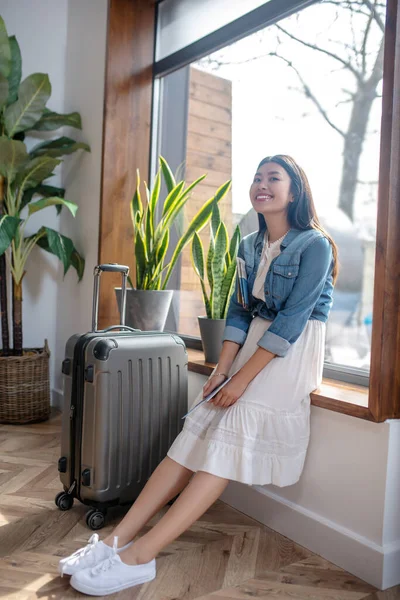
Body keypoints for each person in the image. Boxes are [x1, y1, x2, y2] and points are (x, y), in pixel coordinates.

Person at [60, 154, 338, 596]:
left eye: (274, 178)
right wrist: (222, 369)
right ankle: (116, 540)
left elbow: (293, 322)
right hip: (250, 350)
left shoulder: (315, 244)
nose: (261, 185)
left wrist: (243, 380)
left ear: (295, 190)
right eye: (257, 178)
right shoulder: (249, 243)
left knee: (221, 450)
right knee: (192, 438)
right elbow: (239, 311)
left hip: (287, 355)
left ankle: (141, 556)